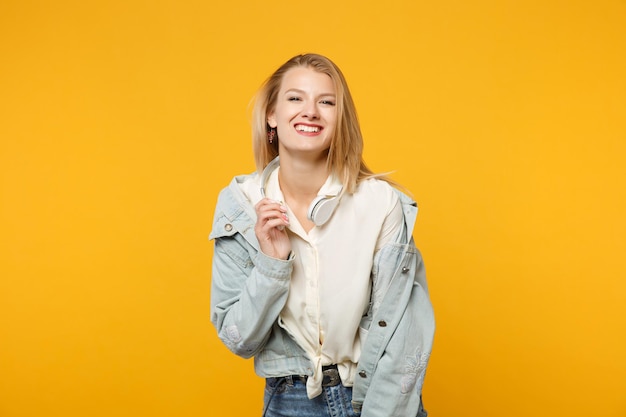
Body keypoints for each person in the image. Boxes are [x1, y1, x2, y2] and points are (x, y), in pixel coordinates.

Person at [209, 53, 435, 417]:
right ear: (272, 114)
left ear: (339, 118)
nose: (310, 111)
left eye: (326, 102)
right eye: (295, 98)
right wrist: (272, 265)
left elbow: (403, 334)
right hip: (290, 401)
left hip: (376, 396)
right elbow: (239, 339)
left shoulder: (381, 203)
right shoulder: (240, 205)